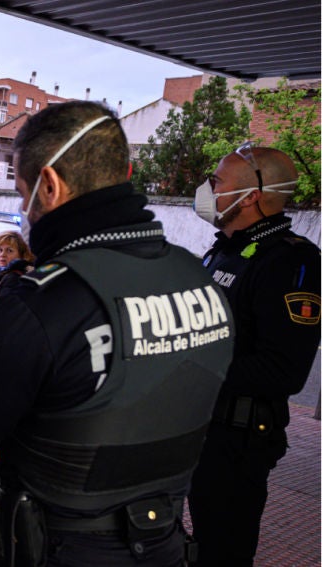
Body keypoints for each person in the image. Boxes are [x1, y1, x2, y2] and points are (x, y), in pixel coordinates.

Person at [0, 101, 235, 566]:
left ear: (49, 185)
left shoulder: (41, 303)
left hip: (62, 545)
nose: (24, 209)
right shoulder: (197, 276)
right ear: (124, 171)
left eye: (23, 193)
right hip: (165, 541)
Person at [187, 144, 321, 566]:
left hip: (236, 440)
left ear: (250, 197)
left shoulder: (291, 262)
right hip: (197, 428)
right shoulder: (222, 249)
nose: (207, 188)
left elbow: (282, 371)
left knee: (223, 549)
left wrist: (189, 368)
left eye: (217, 181)